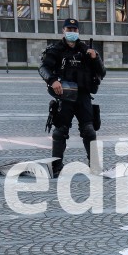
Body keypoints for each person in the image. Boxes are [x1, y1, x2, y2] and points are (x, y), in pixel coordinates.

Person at [39, 18, 106, 177]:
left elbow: (102, 72)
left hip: (83, 96)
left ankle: (95, 166)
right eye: (69, 29)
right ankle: (56, 166)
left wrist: (95, 58)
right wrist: (52, 80)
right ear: (63, 31)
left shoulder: (86, 49)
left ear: (78, 32)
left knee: (89, 131)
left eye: (75, 30)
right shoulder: (56, 49)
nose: (72, 32)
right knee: (60, 131)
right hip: (65, 96)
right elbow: (43, 68)